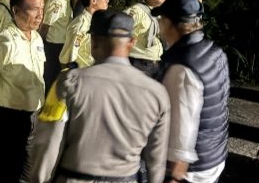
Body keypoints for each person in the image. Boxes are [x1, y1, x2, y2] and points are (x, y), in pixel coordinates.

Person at [30, 10, 170, 183]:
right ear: (132, 42)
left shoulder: (68, 83)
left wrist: (39, 179)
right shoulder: (156, 93)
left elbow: (48, 142)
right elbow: (157, 159)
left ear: (93, 41)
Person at [153, 0, 229, 183]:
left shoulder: (181, 66)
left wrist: (176, 174)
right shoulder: (214, 51)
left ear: (171, 24)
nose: (160, 26)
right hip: (215, 154)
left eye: (162, 20)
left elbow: (183, 123)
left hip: (192, 169)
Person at [0, 0, 46, 183]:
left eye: (42, 9)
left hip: (32, 117)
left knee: (27, 173)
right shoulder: (4, 41)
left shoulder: (36, 38)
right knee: (0, 173)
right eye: (34, 9)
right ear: (15, 10)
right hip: (6, 118)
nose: (40, 14)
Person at [59, 0, 110, 69]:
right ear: (93, 0)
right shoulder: (80, 25)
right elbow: (69, 59)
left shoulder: (97, 21)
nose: (107, 0)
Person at [39, 0, 76, 91]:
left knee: (57, 76)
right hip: (54, 44)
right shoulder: (58, 0)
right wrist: (41, 44)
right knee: (52, 76)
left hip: (60, 43)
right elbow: (46, 24)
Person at [124, 0, 167, 78]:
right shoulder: (137, 11)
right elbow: (119, 29)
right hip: (138, 63)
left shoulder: (160, 14)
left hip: (155, 63)